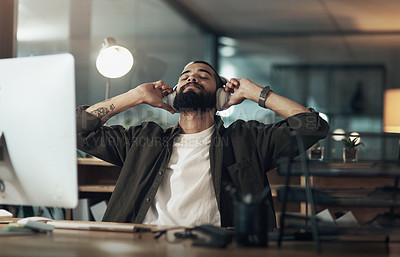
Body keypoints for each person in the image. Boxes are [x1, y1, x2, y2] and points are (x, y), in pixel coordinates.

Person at [76, 61, 329, 230]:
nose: (191, 79)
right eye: (185, 76)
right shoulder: (143, 140)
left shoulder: (247, 139)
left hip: (217, 247)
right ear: (174, 95)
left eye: (203, 76)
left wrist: (255, 93)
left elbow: (312, 126)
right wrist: (135, 96)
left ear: (221, 96)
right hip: (146, 245)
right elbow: (76, 130)